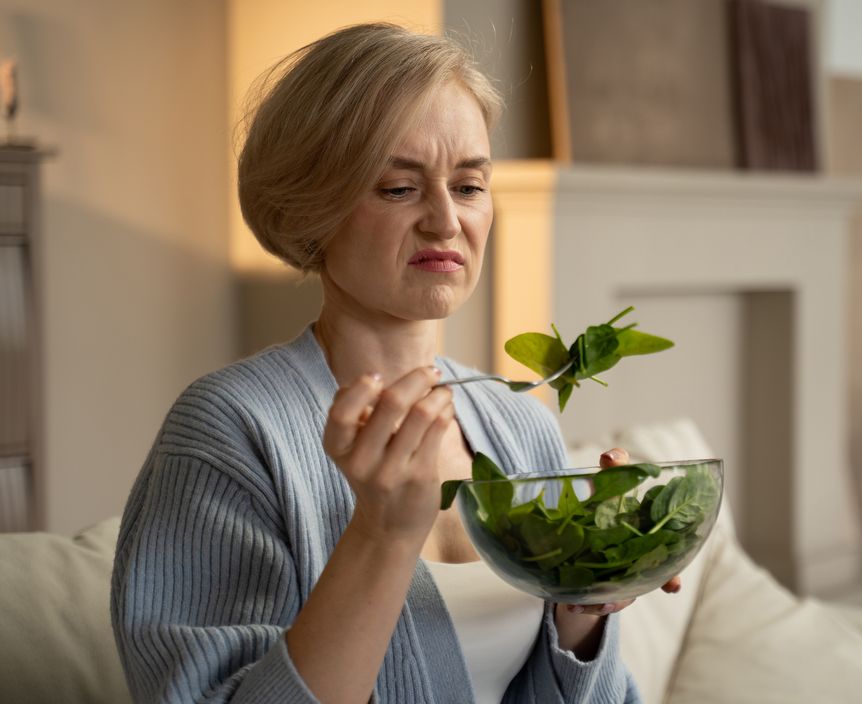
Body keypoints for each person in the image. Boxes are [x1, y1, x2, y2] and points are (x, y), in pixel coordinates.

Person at [110, 22, 678, 703]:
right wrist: (381, 534)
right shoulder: (230, 431)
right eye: (398, 188)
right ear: (312, 208)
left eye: (468, 186)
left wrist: (586, 596)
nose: (446, 221)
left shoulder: (521, 424)